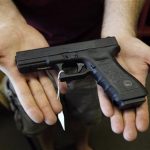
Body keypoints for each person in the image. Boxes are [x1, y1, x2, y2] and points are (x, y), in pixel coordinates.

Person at [0, 0, 149, 149]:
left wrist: (120, 27)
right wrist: (7, 19)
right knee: (41, 118)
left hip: (93, 40)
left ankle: (82, 144)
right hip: (46, 43)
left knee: (86, 114)